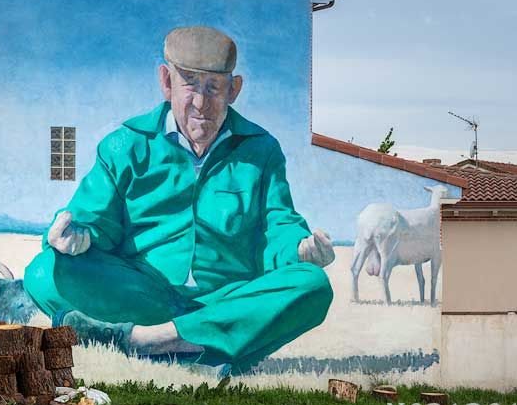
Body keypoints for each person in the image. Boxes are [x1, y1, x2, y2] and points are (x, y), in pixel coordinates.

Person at [23, 26, 335, 372]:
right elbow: (92, 222)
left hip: (227, 299)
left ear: (234, 89)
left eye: (214, 87)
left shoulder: (261, 150)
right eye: (189, 83)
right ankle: (208, 346)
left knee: (313, 285)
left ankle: (146, 341)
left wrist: (299, 248)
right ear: (166, 82)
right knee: (43, 272)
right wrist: (72, 238)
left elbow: (280, 225)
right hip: (144, 295)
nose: (201, 103)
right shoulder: (124, 146)